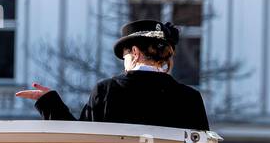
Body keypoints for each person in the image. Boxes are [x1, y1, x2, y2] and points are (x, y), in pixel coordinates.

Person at [16, 20, 209, 130]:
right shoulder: (190, 98)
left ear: (135, 52)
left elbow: (78, 139)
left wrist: (50, 103)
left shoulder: (107, 90)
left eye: (124, 55)